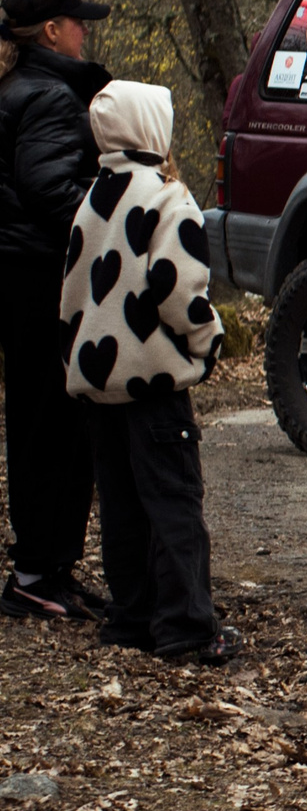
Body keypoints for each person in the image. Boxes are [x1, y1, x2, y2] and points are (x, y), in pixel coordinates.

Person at [57, 82, 236, 664]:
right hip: (153, 381)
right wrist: (206, 340)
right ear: (152, 129)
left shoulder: (92, 201)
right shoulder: (165, 197)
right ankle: (186, 625)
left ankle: (131, 617)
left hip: (100, 384)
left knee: (122, 506)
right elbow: (178, 287)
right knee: (174, 501)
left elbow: (72, 295)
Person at [0, 0, 113, 622]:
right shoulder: (47, 94)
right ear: (49, 31)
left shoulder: (21, 86)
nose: (83, 30)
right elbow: (47, 187)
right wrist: (115, 223)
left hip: (23, 275)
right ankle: (39, 572)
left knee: (40, 420)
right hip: (41, 278)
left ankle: (45, 569)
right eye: (76, 21)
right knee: (53, 425)